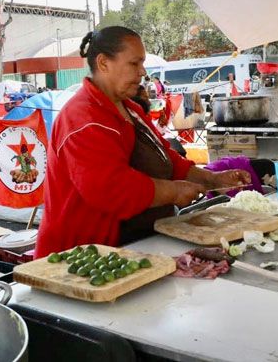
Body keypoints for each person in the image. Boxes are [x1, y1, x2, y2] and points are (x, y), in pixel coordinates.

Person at [34, 27, 250, 257]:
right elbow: (112, 189)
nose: (142, 72)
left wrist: (212, 179)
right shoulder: (82, 119)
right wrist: (173, 192)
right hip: (81, 257)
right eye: (134, 64)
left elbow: (166, 159)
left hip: (137, 246)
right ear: (103, 63)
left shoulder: (131, 108)